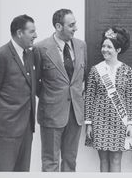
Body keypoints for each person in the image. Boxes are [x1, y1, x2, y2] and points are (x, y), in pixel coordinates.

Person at [34, 9, 87, 171]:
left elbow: (81, 77)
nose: (75, 28)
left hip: (75, 114)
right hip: (51, 114)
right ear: (58, 26)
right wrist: (51, 99)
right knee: (50, 162)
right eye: (71, 25)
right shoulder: (40, 48)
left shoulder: (81, 46)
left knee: (70, 161)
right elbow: (35, 82)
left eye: (75, 24)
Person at [85, 27, 132, 172]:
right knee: (103, 160)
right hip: (99, 120)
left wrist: (130, 123)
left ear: (118, 50)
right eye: (103, 46)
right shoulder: (96, 70)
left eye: (109, 47)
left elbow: (130, 98)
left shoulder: (127, 70)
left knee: (116, 160)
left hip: (120, 121)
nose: (105, 49)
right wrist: (89, 123)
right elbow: (89, 98)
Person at [0, 14, 37, 171]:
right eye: (32, 31)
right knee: (5, 170)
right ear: (20, 33)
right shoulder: (1, 55)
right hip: (7, 129)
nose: (36, 35)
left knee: (23, 170)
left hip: (27, 127)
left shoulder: (30, 54)